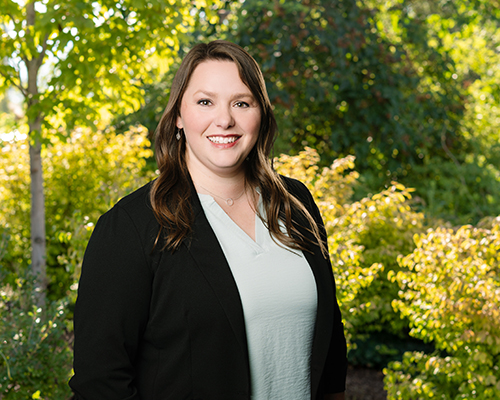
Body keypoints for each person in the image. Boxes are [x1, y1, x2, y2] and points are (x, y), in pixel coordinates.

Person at [69, 40, 347, 400]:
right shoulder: (130, 227)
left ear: (260, 114)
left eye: (241, 103)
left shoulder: (295, 204)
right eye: (205, 102)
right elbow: (100, 383)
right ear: (179, 117)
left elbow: (331, 350)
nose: (225, 119)